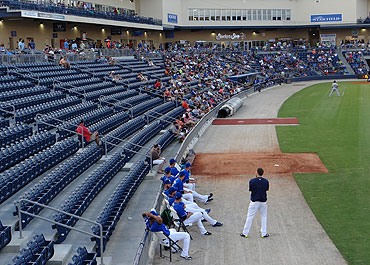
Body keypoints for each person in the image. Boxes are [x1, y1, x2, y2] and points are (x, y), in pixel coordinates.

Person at [241, 168, 269, 238]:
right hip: (263, 202)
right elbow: (266, 189)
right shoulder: (266, 181)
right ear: (262, 173)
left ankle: (245, 233)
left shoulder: (252, 181)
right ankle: (264, 233)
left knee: (250, 217)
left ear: (257, 173)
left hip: (254, 202)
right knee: (264, 217)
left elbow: (251, 189)